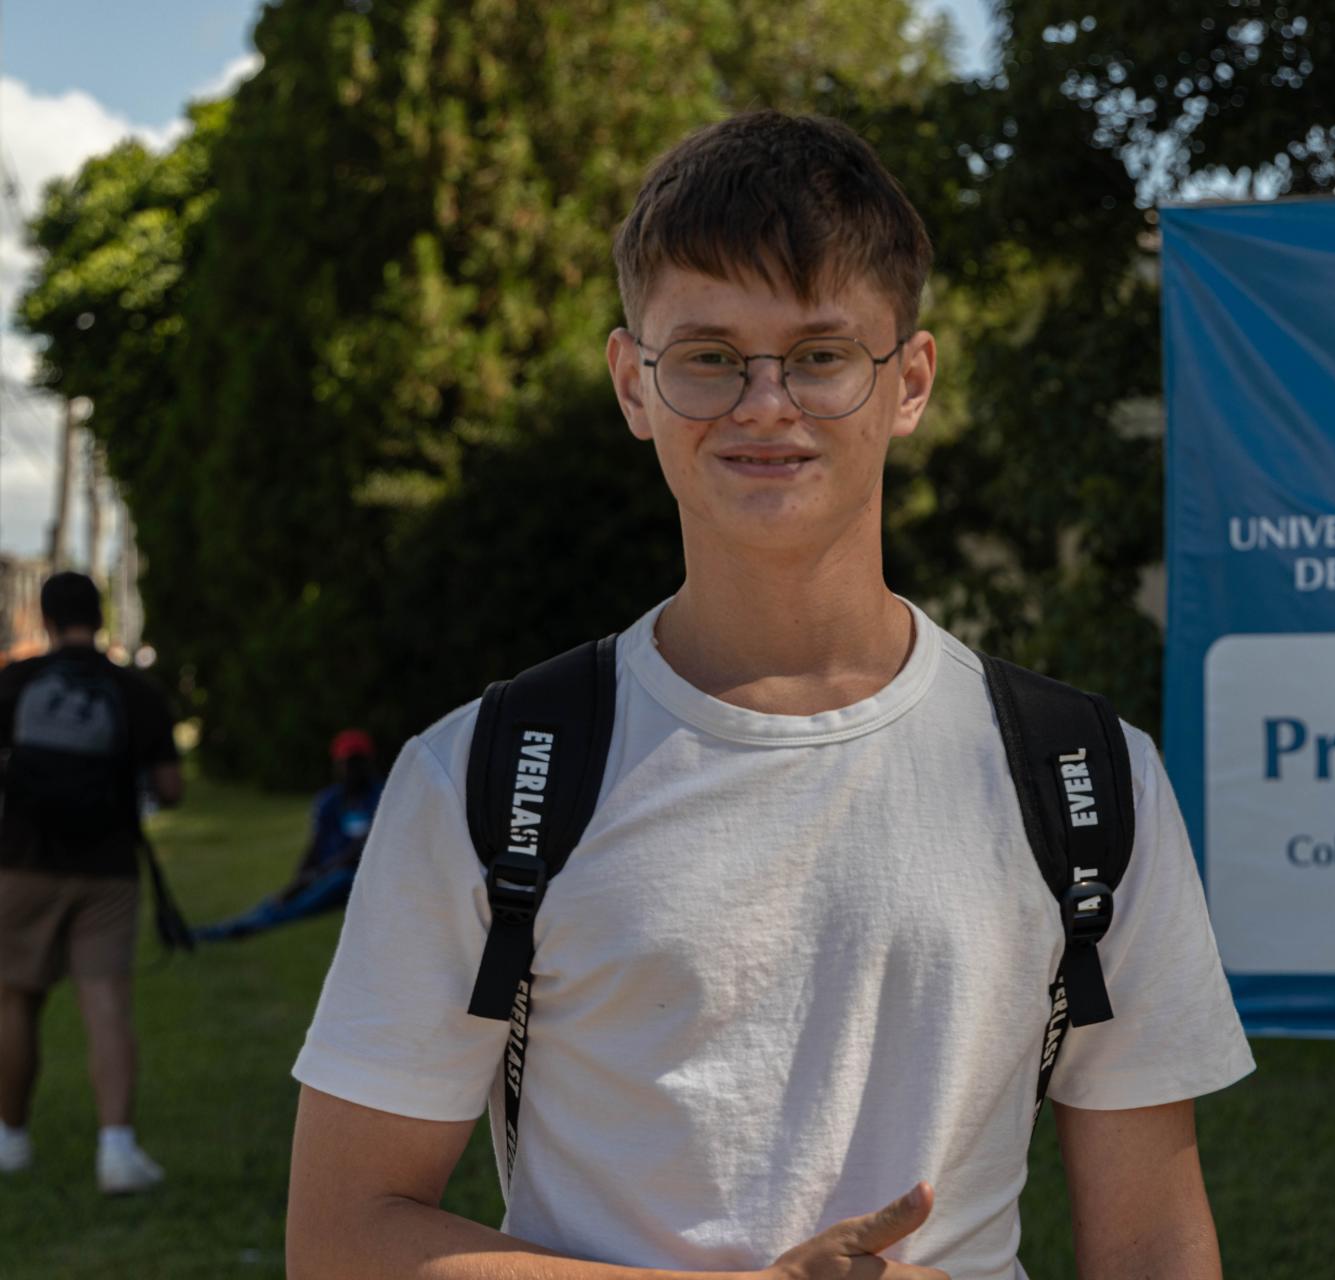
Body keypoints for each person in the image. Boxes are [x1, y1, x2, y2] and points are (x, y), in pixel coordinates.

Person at [285, 111, 1254, 1279]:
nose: (763, 404)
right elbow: (342, 1236)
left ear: (910, 380)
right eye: (708, 356)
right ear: (633, 383)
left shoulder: (1085, 774)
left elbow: (1154, 1242)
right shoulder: (485, 773)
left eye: (820, 354)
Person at [0, 571, 182, 1193]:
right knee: (105, 1002)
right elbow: (170, 788)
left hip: (22, 861)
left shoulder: (16, 682)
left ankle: (10, 1138)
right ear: (100, 618)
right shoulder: (134, 690)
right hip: (108, 869)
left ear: (45, 618)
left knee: (15, 999)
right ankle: (117, 1151)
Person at [193, 729, 384, 943]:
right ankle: (228, 927)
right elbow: (315, 846)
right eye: (348, 762)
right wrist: (299, 880)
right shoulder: (329, 801)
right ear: (337, 764)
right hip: (325, 873)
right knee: (285, 897)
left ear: (369, 762)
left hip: (354, 876)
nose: (353, 769)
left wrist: (316, 875)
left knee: (317, 893)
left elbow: (359, 850)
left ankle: (244, 927)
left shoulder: (382, 798)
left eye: (358, 762)